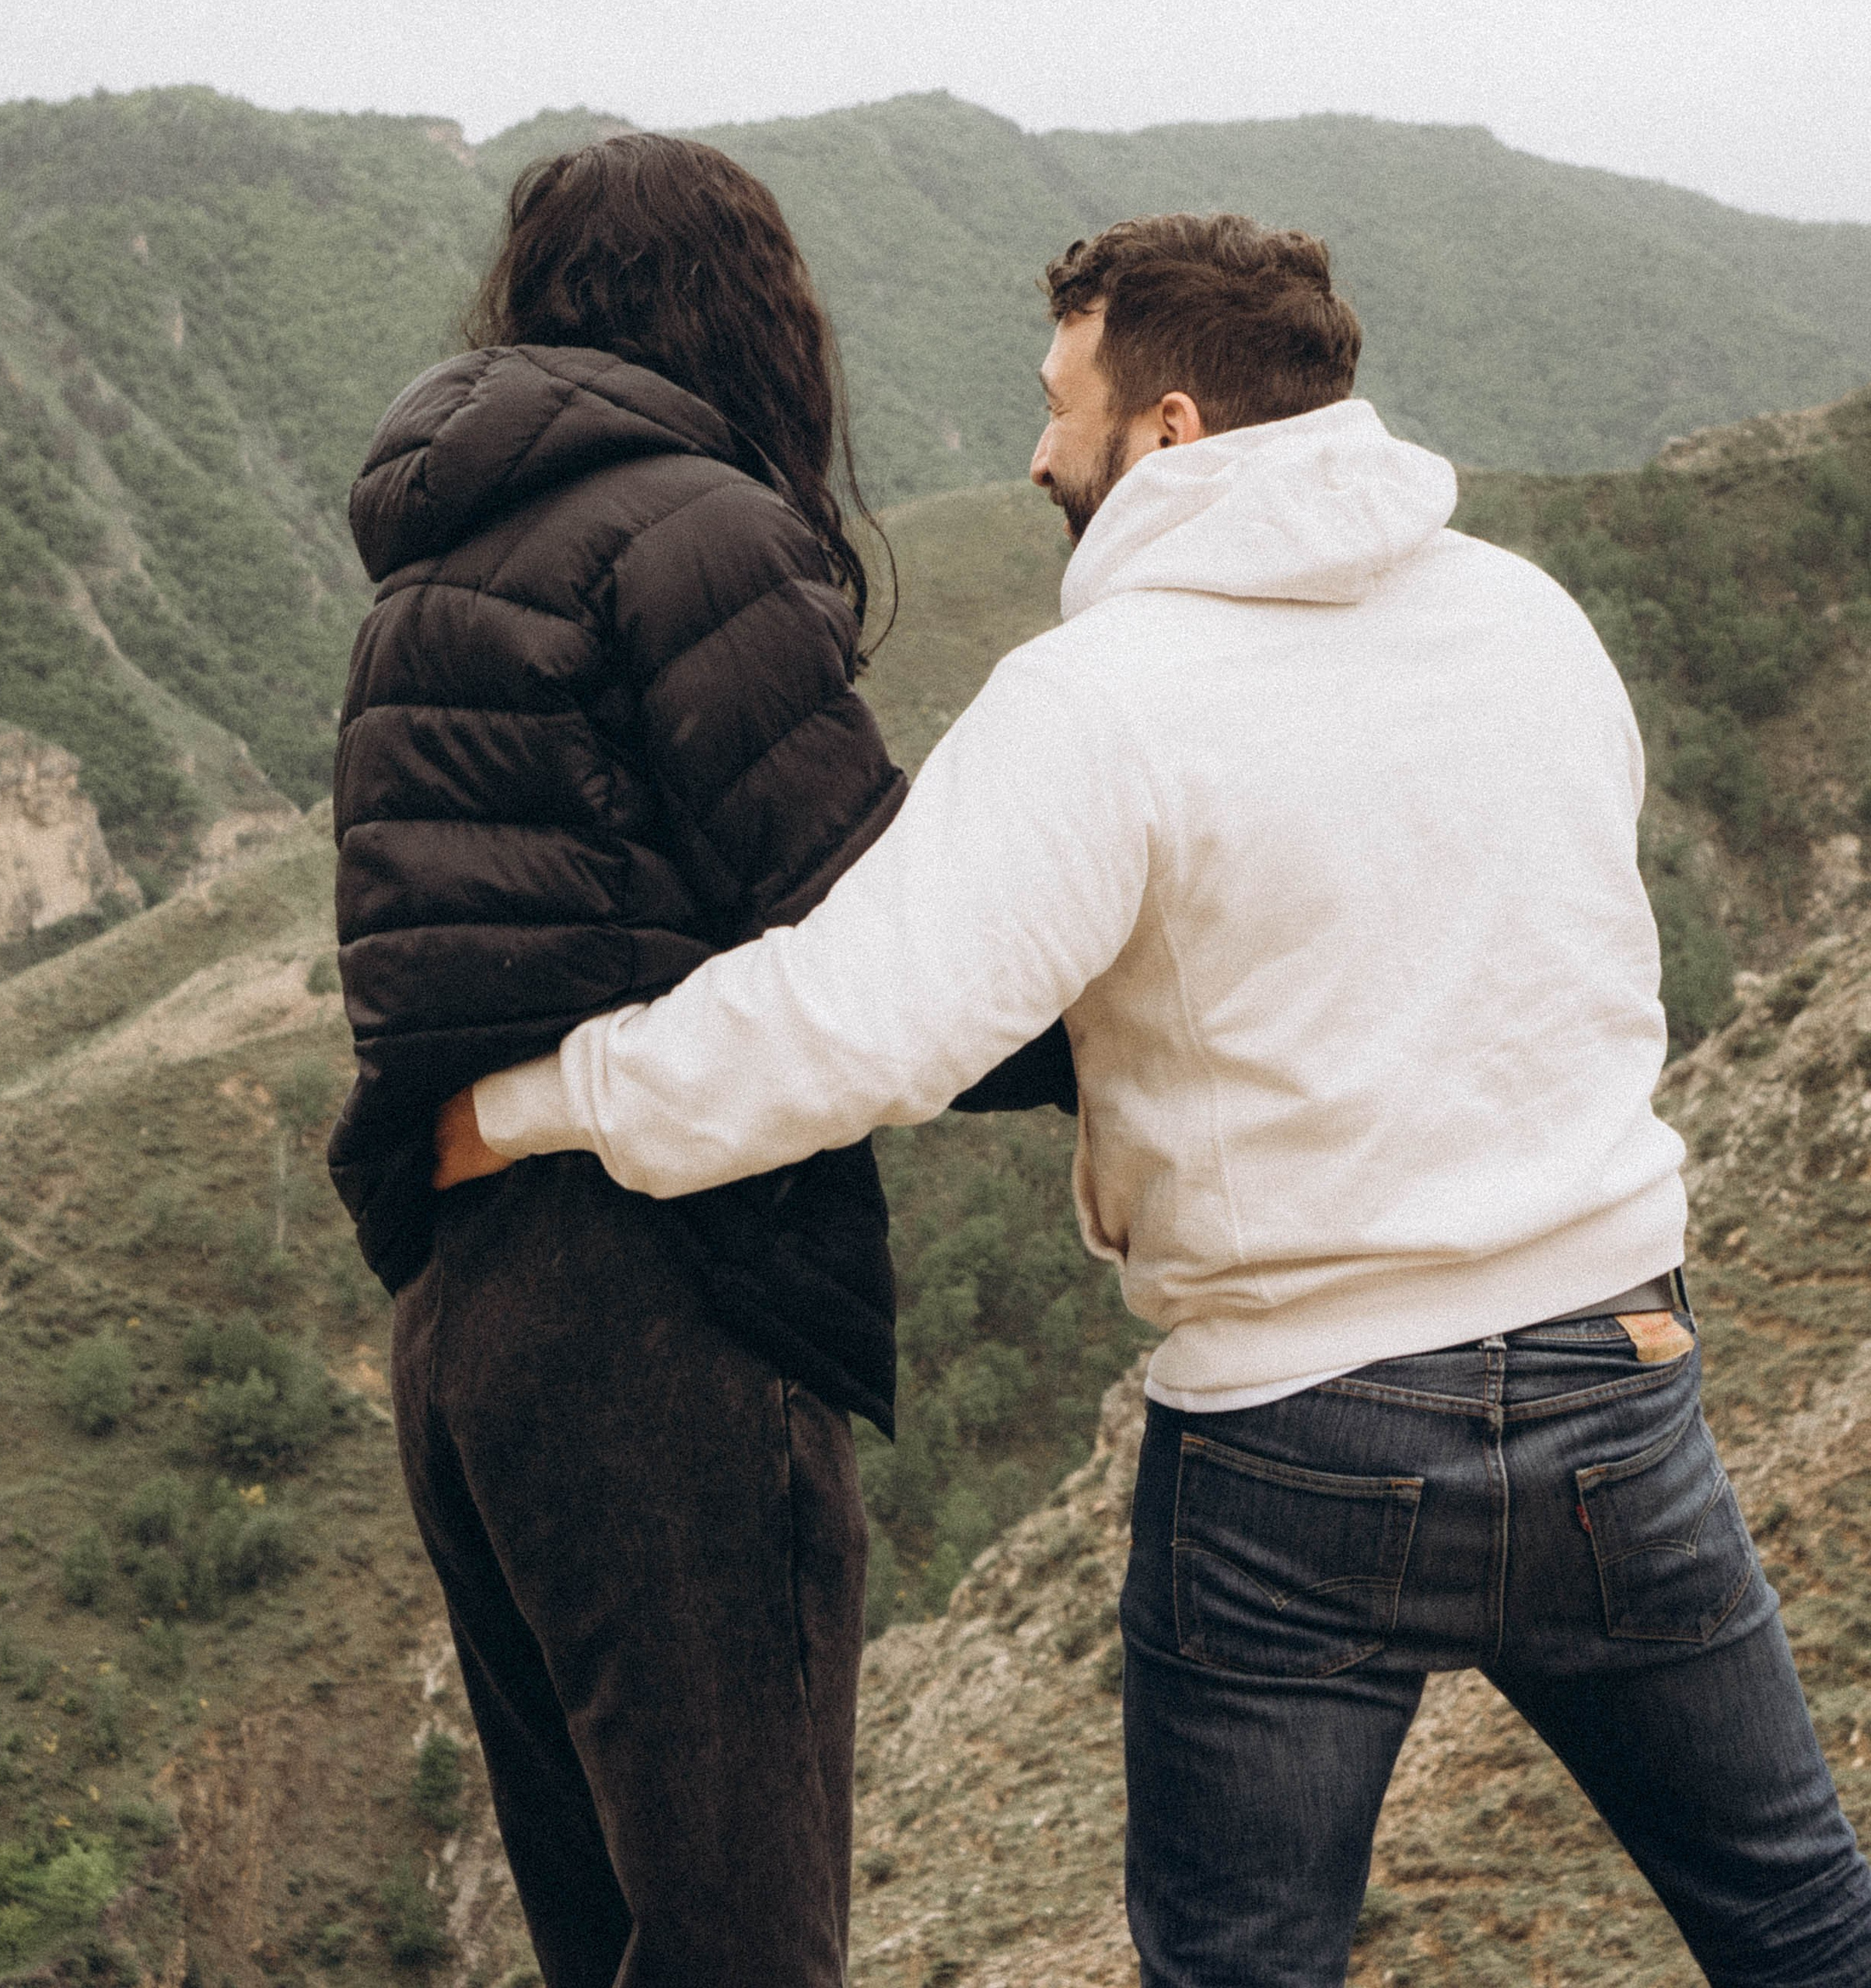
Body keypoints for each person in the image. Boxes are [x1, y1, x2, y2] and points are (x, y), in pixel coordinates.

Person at [438, 210, 1871, 1988]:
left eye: (1060, 408)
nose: (1037, 455)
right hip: (1614, 1381)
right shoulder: (1526, 619)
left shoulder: (1099, 700)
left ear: (1169, 428)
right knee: (1796, 1914)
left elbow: (853, 1028)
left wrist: (531, 1100)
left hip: (1301, 1434)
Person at [330, 132, 1065, 1988]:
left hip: (464, 1310)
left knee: (605, 1934)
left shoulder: (428, 572)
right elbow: (873, 932)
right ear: (752, 307)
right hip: (658, 1303)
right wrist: (1139, 1021)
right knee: (741, 1941)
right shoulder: (697, 533)